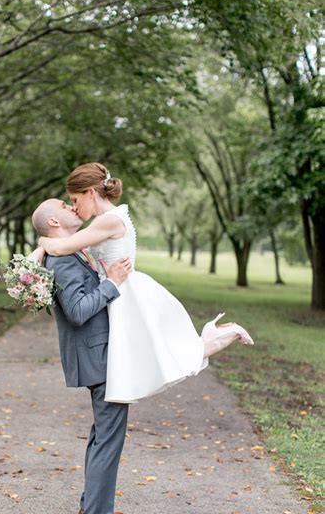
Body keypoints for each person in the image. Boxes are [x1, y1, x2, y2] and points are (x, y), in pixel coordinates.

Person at [36, 161, 254, 405]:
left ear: (89, 193)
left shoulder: (108, 221)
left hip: (123, 291)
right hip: (116, 288)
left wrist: (41, 243)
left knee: (148, 359)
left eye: (75, 200)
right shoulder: (107, 220)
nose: (75, 208)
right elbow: (73, 247)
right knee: (145, 357)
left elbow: (63, 246)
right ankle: (213, 337)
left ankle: (218, 336)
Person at [31, 198, 135, 514]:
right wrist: (113, 283)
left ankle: (91, 508)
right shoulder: (62, 261)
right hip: (100, 357)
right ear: (54, 222)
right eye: (64, 204)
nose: (70, 205)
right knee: (108, 439)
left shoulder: (68, 252)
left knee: (101, 435)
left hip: (101, 353)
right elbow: (77, 312)